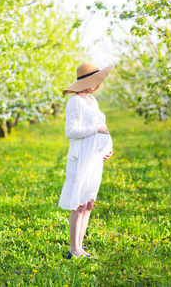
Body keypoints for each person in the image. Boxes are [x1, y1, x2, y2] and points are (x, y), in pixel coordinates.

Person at [58, 62, 115, 259]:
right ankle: (74, 248)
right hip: (81, 157)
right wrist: (95, 130)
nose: (94, 85)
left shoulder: (92, 100)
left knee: (89, 203)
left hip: (94, 158)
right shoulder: (75, 102)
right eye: (91, 81)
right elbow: (70, 132)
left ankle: (81, 248)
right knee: (79, 204)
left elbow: (104, 126)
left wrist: (108, 148)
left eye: (96, 81)